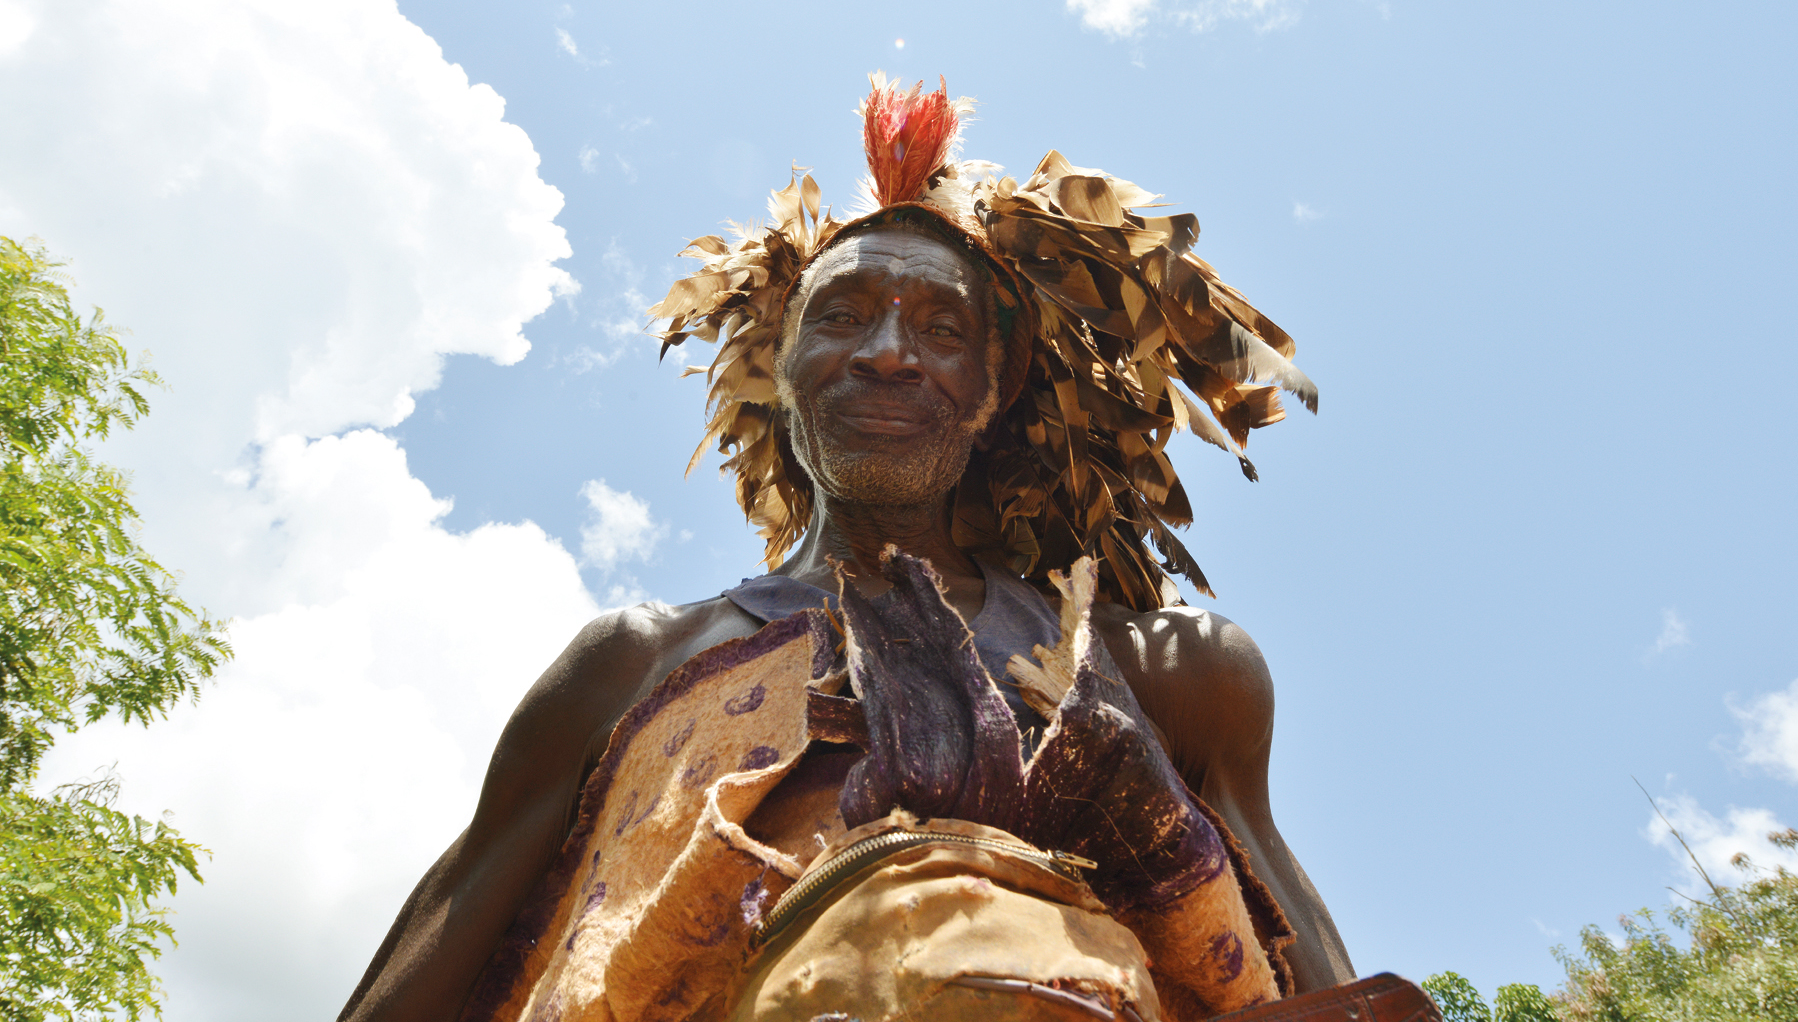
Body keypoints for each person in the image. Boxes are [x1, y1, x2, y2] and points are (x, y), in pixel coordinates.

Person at [339, 77, 1357, 1022]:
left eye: (941, 329)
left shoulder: (1172, 676)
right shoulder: (630, 666)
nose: (887, 351)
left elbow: (1305, 972)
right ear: (781, 373)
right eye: (842, 316)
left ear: (993, 392)